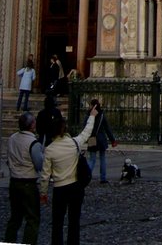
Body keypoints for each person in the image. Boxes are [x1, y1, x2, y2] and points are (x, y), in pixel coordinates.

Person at [39, 104, 98, 245]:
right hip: (75, 187)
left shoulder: (49, 150)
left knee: (57, 222)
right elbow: (86, 133)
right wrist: (92, 116)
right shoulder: (74, 143)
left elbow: (45, 175)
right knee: (74, 221)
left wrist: (43, 193)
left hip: (60, 189)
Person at [5, 111, 43, 245]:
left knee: (15, 217)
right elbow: (39, 164)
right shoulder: (33, 143)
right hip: (28, 182)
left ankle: (9, 240)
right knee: (32, 218)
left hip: (14, 181)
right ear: (32, 125)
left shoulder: (12, 138)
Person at [85, 98, 117, 184]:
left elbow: (85, 126)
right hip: (101, 138)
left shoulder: (88, 115)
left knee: (92, 159)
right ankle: (103, 178)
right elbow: (107, 128)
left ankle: (87, 176)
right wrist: (112, 140)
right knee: (102, 158)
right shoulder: (102, 115)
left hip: (92, 138)